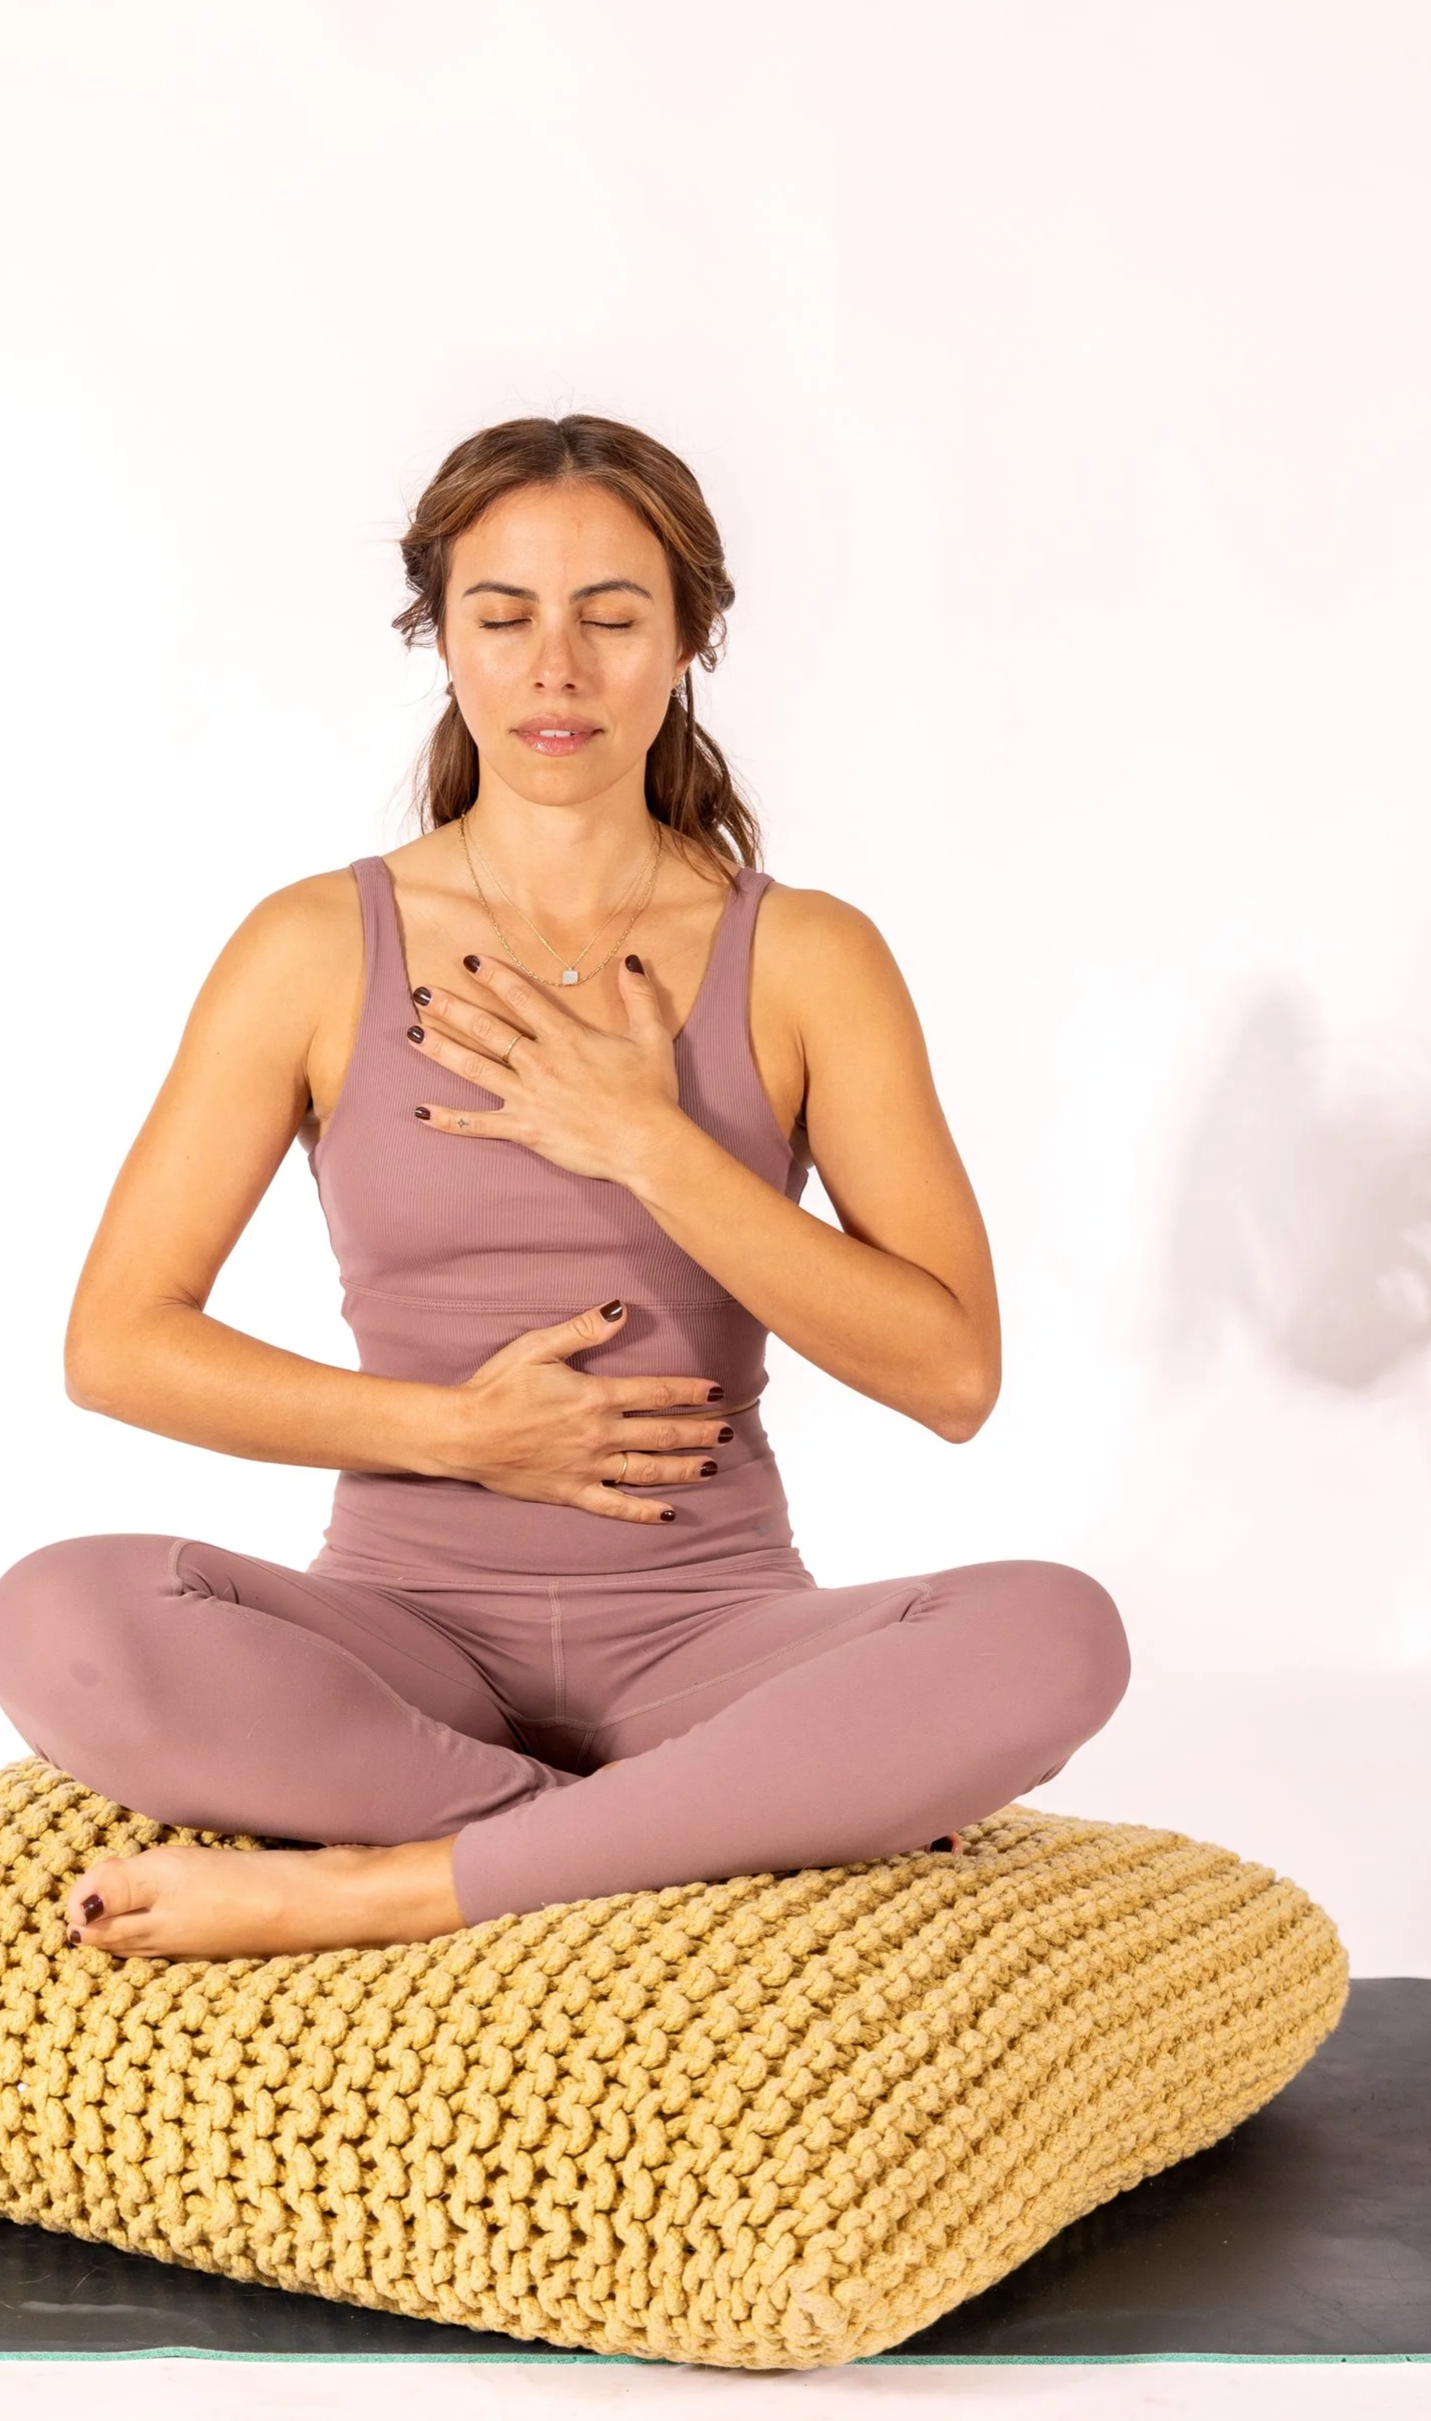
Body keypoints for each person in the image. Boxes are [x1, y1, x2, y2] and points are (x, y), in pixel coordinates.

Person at [0, 413, 1131, 1962]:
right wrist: (460, 1434)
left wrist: (648, 1141)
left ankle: (397, 1883)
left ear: (685, 643)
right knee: (56, 1613)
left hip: (717, 1636)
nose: (557, 670)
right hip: (398, 1644)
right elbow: (118, 1342)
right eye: (504, 616)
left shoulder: (805, 957)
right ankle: (678, 1824)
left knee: (1053, 1634)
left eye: (610, 619)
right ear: (439, 637)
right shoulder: (313, 948)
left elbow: (949, 1374)